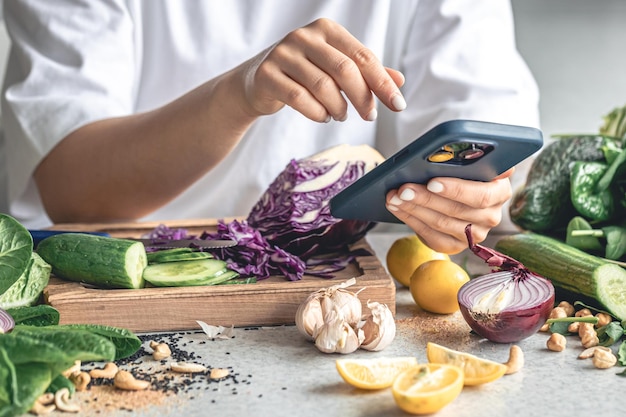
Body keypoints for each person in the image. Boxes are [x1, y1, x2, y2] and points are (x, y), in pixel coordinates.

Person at [0, 0, 539, 254]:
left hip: (321, 272)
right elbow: (72, 188)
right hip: (114, 268)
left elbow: (488, 127)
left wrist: (472, 196)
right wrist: (236, 95)